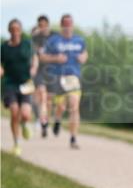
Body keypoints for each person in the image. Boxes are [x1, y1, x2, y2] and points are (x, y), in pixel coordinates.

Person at [39, 14, 86, 149]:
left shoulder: (79, 40)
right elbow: (42, 57)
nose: (67, 27)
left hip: (73, 77)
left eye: (69, 24)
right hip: (57, 77)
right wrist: (55, 59)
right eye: (64, 24)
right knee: (60, 107)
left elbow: (84, 53)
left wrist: (83, 57)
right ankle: (57, 120)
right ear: (61, 26)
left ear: (72, 25)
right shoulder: (53, 41)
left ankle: (73, 138)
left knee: (74, 106)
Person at [1, 19, 38, 156]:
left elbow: (35, 58)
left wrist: (34, 67)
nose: (15, 32)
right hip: (10, 83)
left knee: (26, 114)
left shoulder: (27, 44)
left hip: (26, 83)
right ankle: (16, 144)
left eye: (17, 29)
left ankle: (24, 125)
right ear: (9, 30)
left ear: (21, 30)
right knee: (14, 111)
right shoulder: (4, 47)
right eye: (13, 29)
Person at [30, 15, 52, 137]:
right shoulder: (34, 40)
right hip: (38, 71)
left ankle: (44, 121)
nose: (42, 28)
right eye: (40, 25)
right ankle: (40, 119)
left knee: (47, 100)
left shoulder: (52, 38)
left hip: (51, 72)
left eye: (44, 25)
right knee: (41, 96)